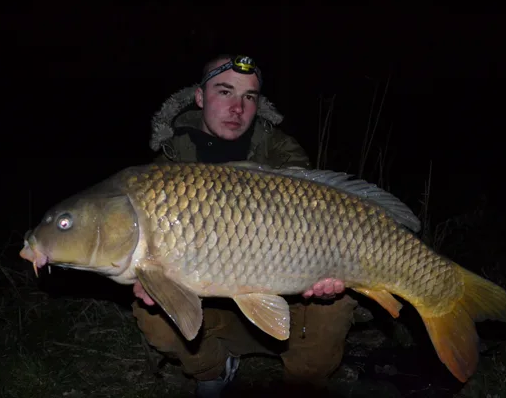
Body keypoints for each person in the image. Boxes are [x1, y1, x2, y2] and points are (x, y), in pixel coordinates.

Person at [132, 54, 356, 397]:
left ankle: (302, 382)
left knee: (335, 305)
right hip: (212, 310)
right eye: (225, 92)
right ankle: (213, 369)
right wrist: (155, 280)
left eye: (249, 97)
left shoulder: (282, 154)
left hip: (285, 299)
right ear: (200, 97)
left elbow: (316, 224)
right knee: (151, 310)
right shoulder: (169, 166)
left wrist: (326, 270)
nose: (237, 108)